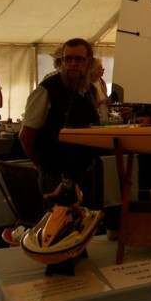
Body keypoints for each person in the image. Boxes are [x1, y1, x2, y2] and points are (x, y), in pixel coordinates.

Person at [19, 38, 103, 208]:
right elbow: (26, 134)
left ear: (89, 62)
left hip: (85, 174)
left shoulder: (91, 91)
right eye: (68, 59)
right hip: (55, 177)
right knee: (58, 230)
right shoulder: (46, 90)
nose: (73, 64)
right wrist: (41, 166)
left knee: (86, 227)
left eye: (79, 59)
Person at [89, 57, 110, 122]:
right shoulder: (86, 84)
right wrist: (101, 102)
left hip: (104, 118)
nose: (103, 70)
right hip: (93, 120)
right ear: (92, 70)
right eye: (100, 68)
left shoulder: (102, 82)